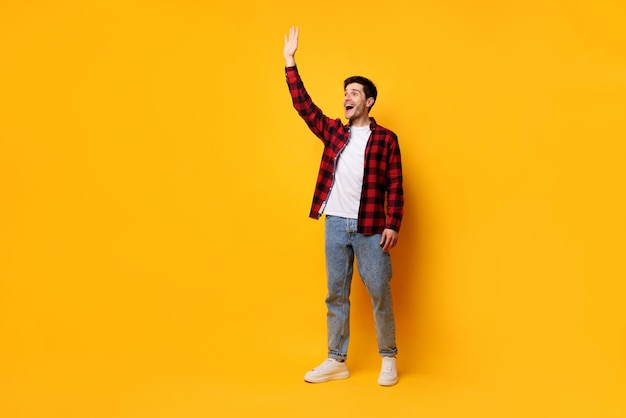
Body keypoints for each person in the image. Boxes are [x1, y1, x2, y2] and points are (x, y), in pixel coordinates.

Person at [283, 26, 404, 386]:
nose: (346, 97)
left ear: (368, 102)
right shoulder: (335, 132)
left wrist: (393, 223)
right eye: (345, 93)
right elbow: (304, 107)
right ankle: (336, 359)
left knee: (379, 292)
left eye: (354, 93)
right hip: (335, 223)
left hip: (370, 228)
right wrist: (290, 62)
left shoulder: (386, 139)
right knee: (336, 293)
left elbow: (396, 184)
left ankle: (388, 357)